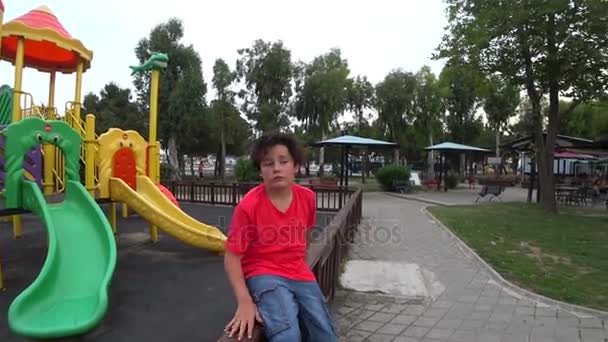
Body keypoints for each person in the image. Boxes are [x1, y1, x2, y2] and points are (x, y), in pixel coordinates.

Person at [223, 133, 338, 342]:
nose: (276, 168)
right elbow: (232, 257)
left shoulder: (307, 198)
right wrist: (245, 301)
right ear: (260, 171)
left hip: (298, 272)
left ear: (295, 166)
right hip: (264, 272)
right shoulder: (249, 206)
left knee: (325, 333)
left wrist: (300, 261)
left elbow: (306, 234)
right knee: (287, 335)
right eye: (268, 163)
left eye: (283, 161)